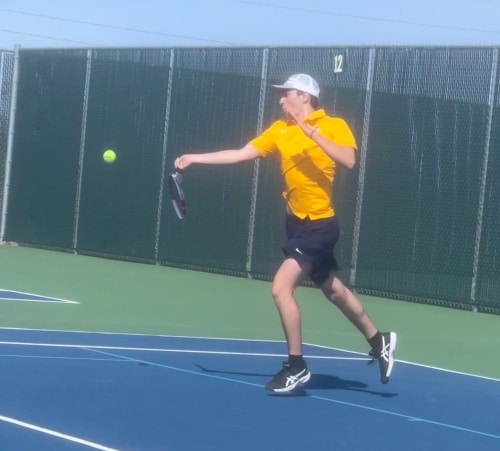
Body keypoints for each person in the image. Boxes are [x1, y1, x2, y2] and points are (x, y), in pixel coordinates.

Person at [175, 73, 397, 393]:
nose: (280, 99)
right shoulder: (279, 130)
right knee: (333, 290)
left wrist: (312, 133)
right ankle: (379, 341)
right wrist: (195, 158)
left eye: (287, 93)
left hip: (320, 225)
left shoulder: (333, 125)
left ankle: (296, 366)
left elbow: (348, 160)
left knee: (281, 289)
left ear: (305, 96)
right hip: (296, 223)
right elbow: (240, 153)